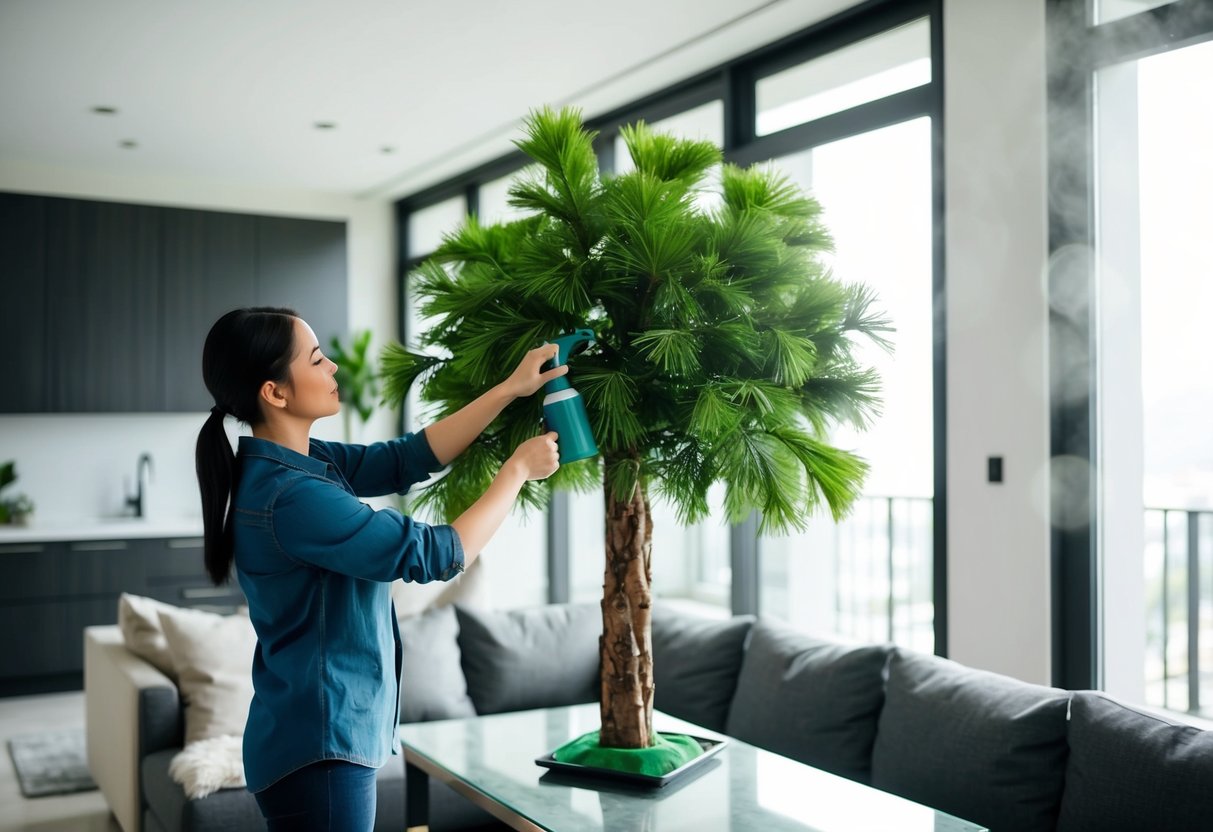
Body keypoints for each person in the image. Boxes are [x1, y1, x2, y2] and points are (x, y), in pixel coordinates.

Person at [194, 307, 563, 831]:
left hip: (316, 741)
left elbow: (405, 459)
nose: (334, 369)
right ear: (275, 392)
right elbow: (437, 553)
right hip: (319, 754)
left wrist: (509, 389)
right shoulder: (291, 497)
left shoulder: (300, 460)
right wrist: (517, 472)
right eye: (317, 359)